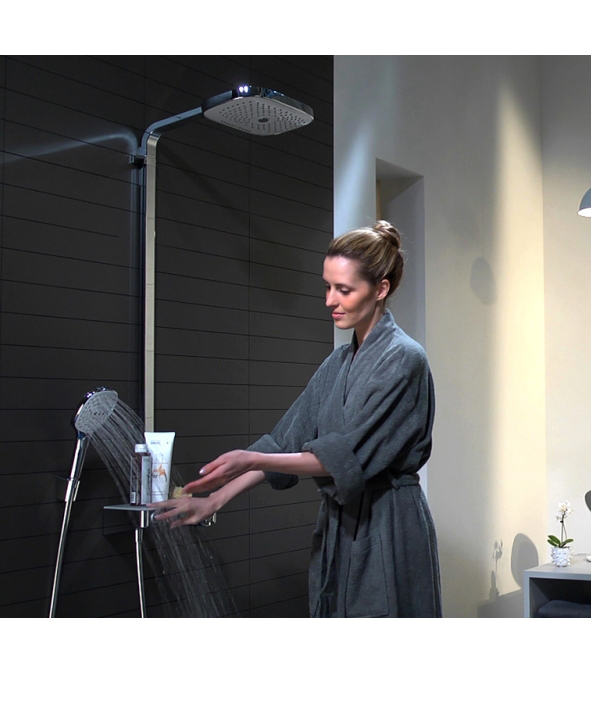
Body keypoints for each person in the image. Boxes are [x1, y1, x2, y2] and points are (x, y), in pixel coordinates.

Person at [152, 220, 442, 617]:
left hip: (388, 525)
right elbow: (285, 441)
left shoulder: (404, 359)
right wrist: (214, 500)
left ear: (381, 289)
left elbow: (342, 457)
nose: (330, 300)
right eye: (328, 287)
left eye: (344, 289)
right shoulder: (338, 362)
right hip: (342, 526)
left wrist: (251, 459)